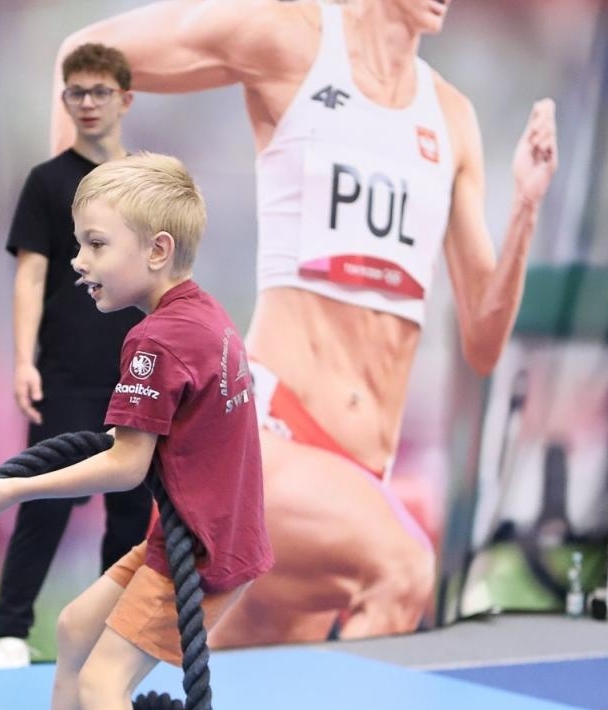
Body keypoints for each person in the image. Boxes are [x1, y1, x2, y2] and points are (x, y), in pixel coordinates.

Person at [51, 0, 558, 646]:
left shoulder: (453, 117)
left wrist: (525, 209)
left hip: (356, 472)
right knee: (402, 569)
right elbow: (84, 58)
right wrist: (84, 270)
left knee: (225, 701)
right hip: (271, 435)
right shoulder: (292, 39)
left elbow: (484, 344)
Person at [0, 153, 272, 710]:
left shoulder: (153, 341)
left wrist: (8, 490)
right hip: (194, 533)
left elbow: (126, 467)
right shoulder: (201, 314)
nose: (78, 262)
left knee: (104, 681)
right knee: (75, 627)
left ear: (156, 250)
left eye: (94, 245)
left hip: (202, 550)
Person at [0, 43, 154, 670]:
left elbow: (169, 268)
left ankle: (111, 633)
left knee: (134, 504)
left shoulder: (147, 183)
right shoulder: (48, 180)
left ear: (124, 99)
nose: (86, 103)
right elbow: (30, 277)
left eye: (99, 92)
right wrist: (23, 360)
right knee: (46, 493)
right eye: (75, 92)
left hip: (140, 366)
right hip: (66, 367)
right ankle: (8, 632)